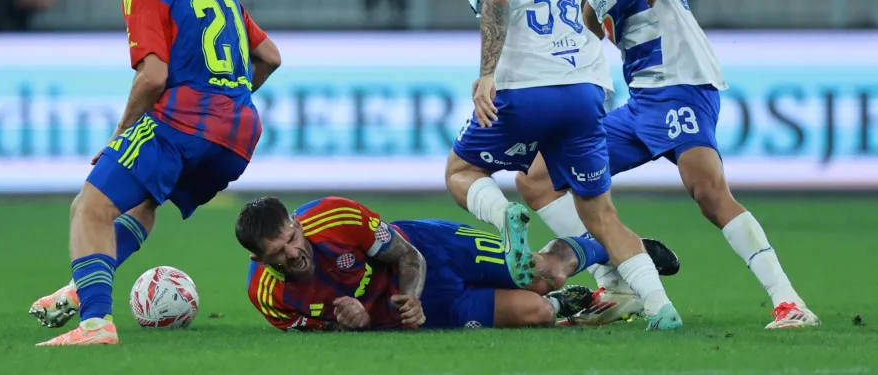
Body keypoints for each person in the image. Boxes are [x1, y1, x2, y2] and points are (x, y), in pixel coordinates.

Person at [515, 0, 819, 329]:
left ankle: (789, 302)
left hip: (680, 83)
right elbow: (587, 30)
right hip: (642, 103)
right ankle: (617, 283)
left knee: (709, 193)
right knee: (535, 179)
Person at [29, 0, 282, 346]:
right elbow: (270, 56)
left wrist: (121, 133)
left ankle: (95, 325)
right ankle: (82, 287)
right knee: (143, 202)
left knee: (89, 207)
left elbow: (153, 76)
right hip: (239, 134)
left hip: (183, 123)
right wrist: (227, 98)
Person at [443, 0, 686, 330]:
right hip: (584, 92)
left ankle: (503, 216)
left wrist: (487, 74)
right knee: (599, 213)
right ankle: (659, 307)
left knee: (461, 172)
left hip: (526, 91)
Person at [237, 196, 680, 331]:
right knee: (538, 312)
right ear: (259, 258)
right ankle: (578, 301)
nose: (292, 254)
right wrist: (350, 324)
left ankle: (621, 246)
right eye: (277, 253)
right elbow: (320, 332)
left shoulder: (335, 217)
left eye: (292, 239)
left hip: (434, 251)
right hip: (414, 313)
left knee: (543, 275)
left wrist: (409, 296)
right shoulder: (267, 295)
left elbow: (406, 255)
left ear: (297, 224)